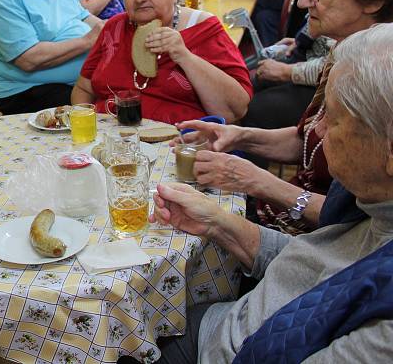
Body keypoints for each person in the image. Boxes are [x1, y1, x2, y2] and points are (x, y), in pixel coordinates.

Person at [139, 23, 393, 364]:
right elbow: (312, 265)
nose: (316, 131)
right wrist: (215, 221)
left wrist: (257, 183)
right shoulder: (374, 205)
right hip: (231, 320)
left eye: (332, 119)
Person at [183, 0, 393, 234]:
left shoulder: (380, 83)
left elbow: (358, 230)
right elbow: (307, 141)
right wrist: (241, 136)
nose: (303, 1)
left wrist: (258, 181)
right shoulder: (345, 54)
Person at [71, 0, 252, 124]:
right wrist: (90, 129)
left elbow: (236, 110)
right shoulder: (114, 27)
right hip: (112, 143)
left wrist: (184, 56)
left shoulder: (203, 29)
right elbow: (82, 89)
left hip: (177, 145)